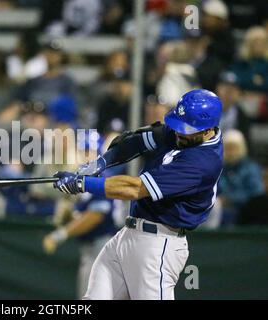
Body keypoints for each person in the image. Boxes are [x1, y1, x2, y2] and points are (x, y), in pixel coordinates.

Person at [53, 89, 223, 300]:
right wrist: (101, 162)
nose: (179, 132)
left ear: (208, 130)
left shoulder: (203, 163)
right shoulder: (185, 134)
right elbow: (136, 141)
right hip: (128, 234)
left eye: (186, 129)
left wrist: (82, 183)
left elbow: (134, 189)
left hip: (159, 245)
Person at [43, 137, 120, 299]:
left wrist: (60, 235)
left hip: (104, 247)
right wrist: (70, 214)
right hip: (90, 248)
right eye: (83, 151)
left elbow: (95, 216)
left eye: (90, 151)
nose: (86, 156)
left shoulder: (103, 177)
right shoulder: (81, 179)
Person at [218, 129, 265, 225]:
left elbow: (257, 194)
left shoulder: (251, 168)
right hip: (220, 211)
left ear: (241, 148)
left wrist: (231, 200)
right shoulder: (218, 168)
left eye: (233, 148)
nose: (230, 152)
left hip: (245, 213)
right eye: (227, 148)